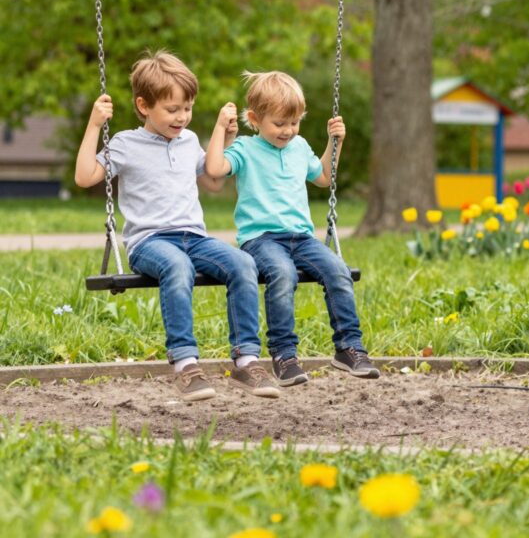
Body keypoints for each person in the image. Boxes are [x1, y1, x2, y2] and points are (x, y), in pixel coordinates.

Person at [74, 51, 279, 402]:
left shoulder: (189, 142)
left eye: (187, 108)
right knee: (178, 266)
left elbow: (213, 181)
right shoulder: (125, 143)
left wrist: (226, 141)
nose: (181, 117)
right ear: (144, 106)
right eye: (172, 109)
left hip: (194, 237)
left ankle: (246, 360)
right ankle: (186, 364)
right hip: (150, 242)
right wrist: (95, 125)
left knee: (244, 263)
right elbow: (84, 177)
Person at [205, 71, 378, 387]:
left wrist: (334, 142)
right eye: (279, 123)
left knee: (338, 271)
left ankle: (348, 347)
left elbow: (323, 177)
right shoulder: (245, 148)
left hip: (301, 237)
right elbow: (215, 169)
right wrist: (219, 128)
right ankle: (284, 355)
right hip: (261, 239)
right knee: (283, 274)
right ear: (255, 119)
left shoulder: (299, 146)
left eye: (294, 122)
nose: (288, 130)